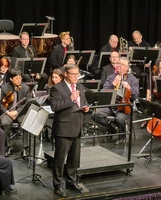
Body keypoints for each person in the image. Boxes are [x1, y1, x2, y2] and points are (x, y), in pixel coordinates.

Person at [49, 64, 90, 197]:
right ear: (66, 74)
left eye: (77, 74)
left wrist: (86, 107)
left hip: (77, 126)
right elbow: (55, 107)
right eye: (73, 74)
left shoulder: (80, 86)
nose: (76, 77)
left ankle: (71, 182)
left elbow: (84, 101)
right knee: (60, 159)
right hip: (64, 128)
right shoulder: (57, 88)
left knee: (74, 159)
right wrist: (70, 98)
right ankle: (58, 185)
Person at [92, 57, 139, 144]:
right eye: (118, 64)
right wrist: (113, 84)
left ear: (127, 67)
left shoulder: (133, 80)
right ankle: (112, 129)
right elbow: (103, 92)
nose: (119, 66)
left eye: (122, 64)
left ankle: (122, 137)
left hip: (124, 107)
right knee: (95, 114)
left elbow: (135, 97)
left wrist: (129, 88)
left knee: (120, 119)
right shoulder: (111, 77)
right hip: (111, 105)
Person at [0, 68, 31, 157]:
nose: (19, 80)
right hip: (8, 112)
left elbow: (26, 103)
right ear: (11, 79)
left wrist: (17, 112)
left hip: (20, 112)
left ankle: (25, 148)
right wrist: (8, 112)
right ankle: (7, 146)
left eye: (20, 78)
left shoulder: (25, 88)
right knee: (4, 123)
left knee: (26, 122)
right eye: (16, 78)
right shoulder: (4, 88)